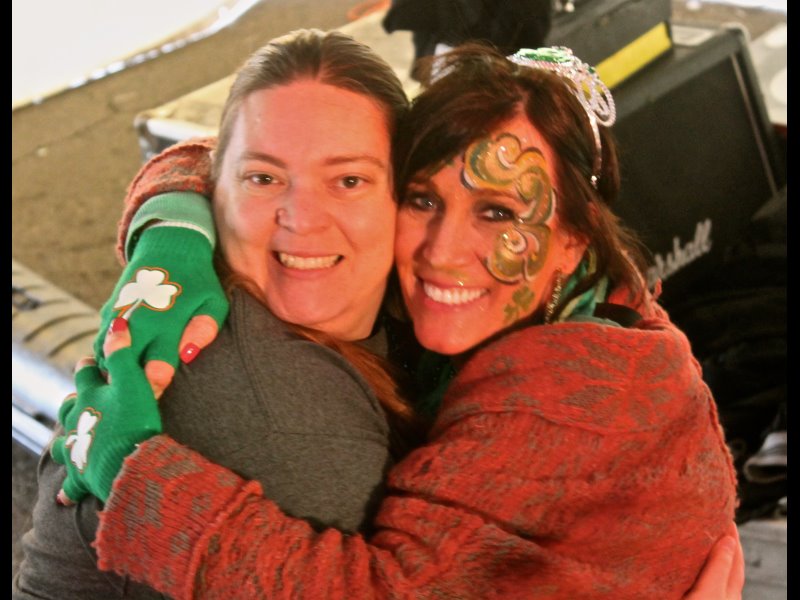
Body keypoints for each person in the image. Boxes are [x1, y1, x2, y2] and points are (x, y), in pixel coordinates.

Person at [44, 42, 741, 599]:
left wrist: (132, 470)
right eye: (423, 199)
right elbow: (261, 147)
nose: (441, 252)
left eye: (497, 212)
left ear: (572, 243)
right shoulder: (582, 301)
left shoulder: (568, 396)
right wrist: (172, 229)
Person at [13, 28, 423, 599]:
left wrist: (171, 220)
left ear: (407, 197)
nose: (303, 217)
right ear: (216, 192)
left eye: (349, 180)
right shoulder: (291, 422)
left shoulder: (215, 303)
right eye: (264, 178)